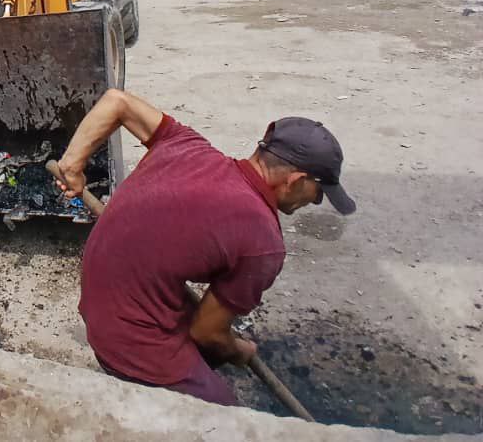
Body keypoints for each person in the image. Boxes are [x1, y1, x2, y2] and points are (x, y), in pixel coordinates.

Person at [56, 89, 355, 406]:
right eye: (319, 193)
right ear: (295, 180)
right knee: (226, 418)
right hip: (124, 335)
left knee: (202, 343)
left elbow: (117, 102)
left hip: (100, 294)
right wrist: (238, 350)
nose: (316, 202)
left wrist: (72, 166)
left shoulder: (187, 145)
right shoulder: (263, 243)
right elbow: (206, 333)